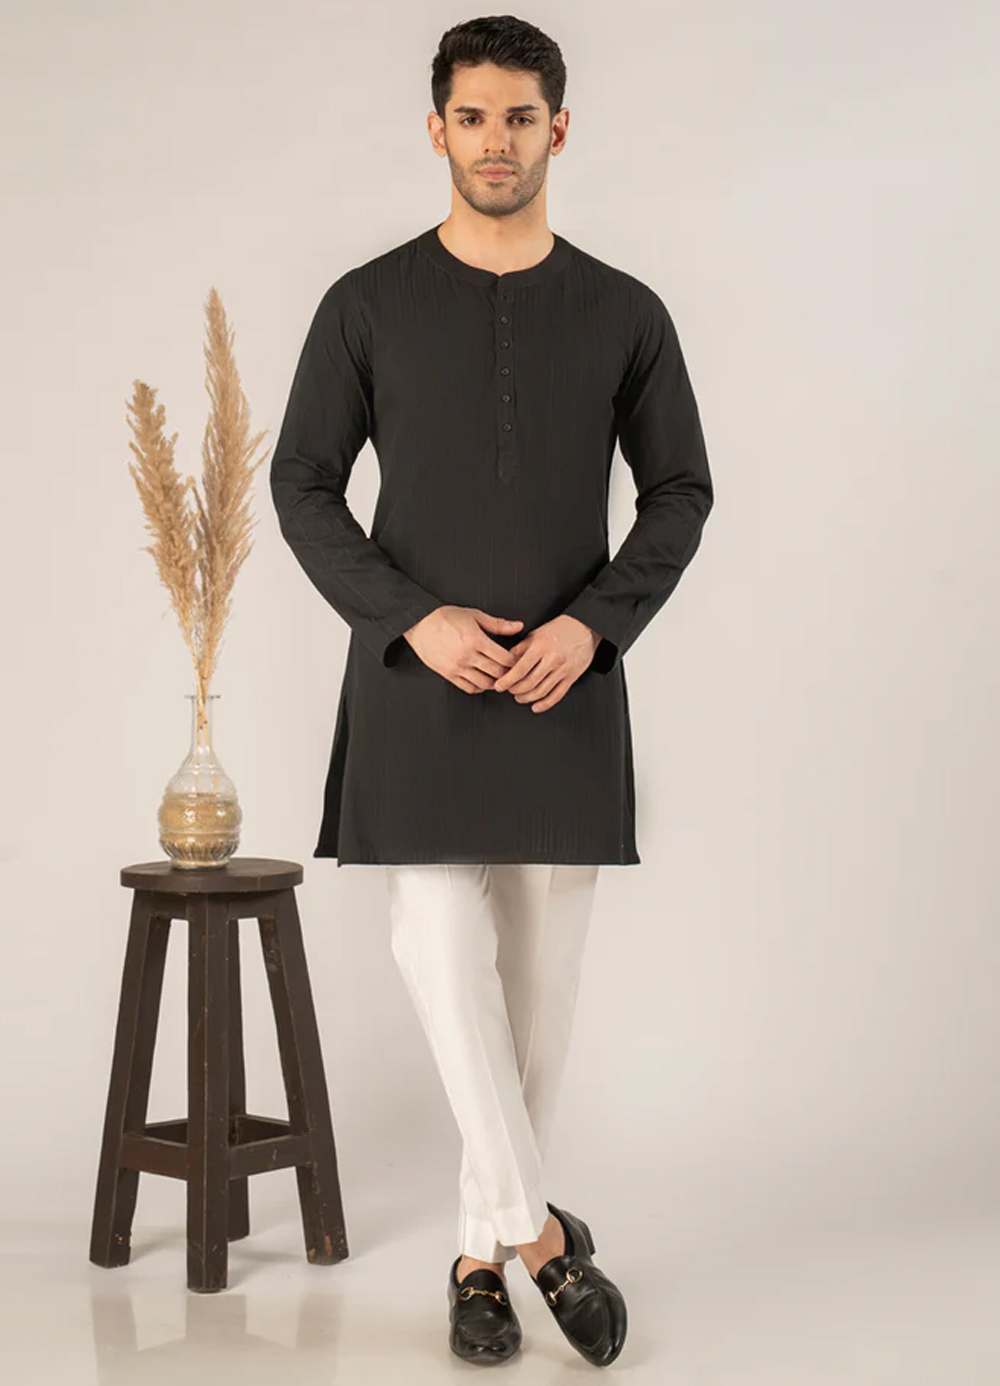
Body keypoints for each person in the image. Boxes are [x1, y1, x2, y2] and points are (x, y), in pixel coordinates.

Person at [270, 14, 714, 1368]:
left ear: (558, 129)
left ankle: (477, 1255)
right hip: (416, 690)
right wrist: (413, 617)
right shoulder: (365, 303)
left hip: (562, 697)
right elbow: (302, 484)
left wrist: (594, 628)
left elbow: (680, 491)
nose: (496, 141)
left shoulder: (626, 312)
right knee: (439, 948)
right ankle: (542, 1240)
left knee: (535, 1005)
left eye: (520, 117)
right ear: (437, 130)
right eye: (472, 116)